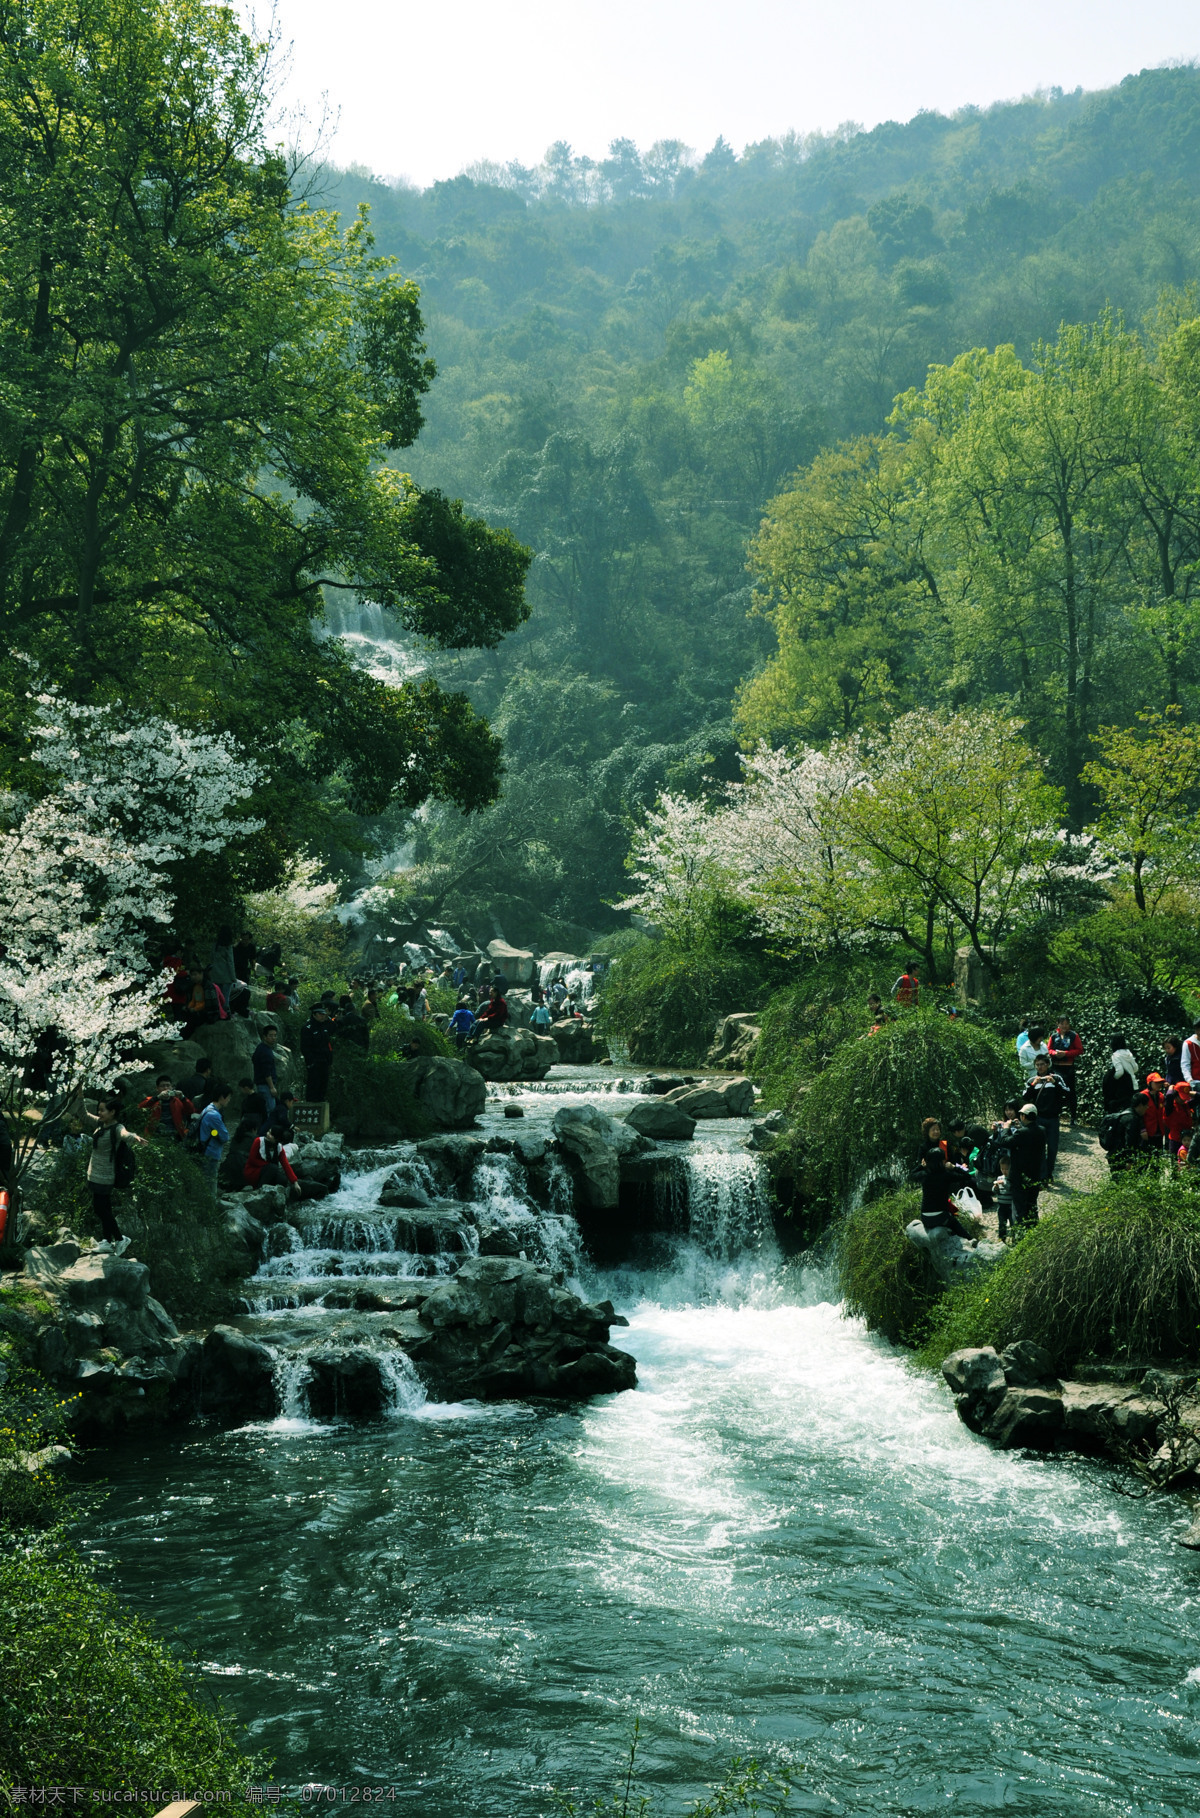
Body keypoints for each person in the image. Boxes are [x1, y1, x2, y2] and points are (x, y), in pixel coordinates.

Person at [85, 1097, 147, 1240]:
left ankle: (119, 1239)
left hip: (105, 1176)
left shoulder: (117, 1127)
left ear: (112, 1112)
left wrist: (135, 1137)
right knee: (105, 1209)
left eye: (102, 1110)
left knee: (100, 1209)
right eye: (98, 1110)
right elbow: (84, 1115)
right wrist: (80, 1094)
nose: (99, 1113)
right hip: (94, 1173)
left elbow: (124, 1134)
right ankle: (107, 1241)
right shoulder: (100, 1124)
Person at [1027, 1053, 1069, 1185]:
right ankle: (1043, 1175)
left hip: (1053, 1119)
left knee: (1052, 1148)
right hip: (1038, 1119)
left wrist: (1055, 1083)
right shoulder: (1032, 1080)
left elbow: (1067, 1092)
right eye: (1037, 1065)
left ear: (1047, 1064)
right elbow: (1025, 1097)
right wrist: (1034, 1085)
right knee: (1039, 1148)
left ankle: (1049, 1172)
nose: (1040, 1067)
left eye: (1042, 1064)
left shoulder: (1056, 1077)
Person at [1006, 1105, 1045, 1236]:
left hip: (1019, 1177)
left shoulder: (1021, 1133)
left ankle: (1020, 1238)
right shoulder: (1041, 1130)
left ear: (1023, 1116)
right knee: (1032, 1206)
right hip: (1034, 1176)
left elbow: (1005, 1142)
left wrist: (1006, 1129)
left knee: (1019, 1209)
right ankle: (1034, 1233)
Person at [196, 1085, 232, 1198]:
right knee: (210, 1185)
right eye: (229, 1097)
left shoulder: (207, 1109)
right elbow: (225, 1137)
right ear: (222, 1097)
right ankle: (210, 1211)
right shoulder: (214, 1115)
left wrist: (214, 1133)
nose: (229, 1100)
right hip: (210, 1153)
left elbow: (214, 1132)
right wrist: (215, 1134)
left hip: (204, 1150)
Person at [1048, 1016, 1083, 1125]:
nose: (1064, 1026)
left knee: (1070, 1092)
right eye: (1062, 1023)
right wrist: (1054, 1053)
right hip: (1056, 1067)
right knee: (1056, 1091)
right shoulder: (1054, 1036)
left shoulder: (1074, 1035)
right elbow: (1048, 1049)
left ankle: (1073, 1117)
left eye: (1066, 1023)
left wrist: (1066, 1053)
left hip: (1068, 1067)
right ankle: (1056, 1115)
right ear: (1058, 1024)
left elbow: (1080, 1050)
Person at [138, 1075, 194, 1141]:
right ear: (157, 1088)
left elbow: (190, 1110)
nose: (165, 1088)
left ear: (172, 1087)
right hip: (156, 1135)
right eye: (162, 1086)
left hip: (175, 1134)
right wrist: (158, 1097)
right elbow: (140, 1107)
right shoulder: (152, 1101)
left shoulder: (177, 1101)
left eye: (168, 1085)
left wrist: (183, 1097)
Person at [300, 1006, 334, 1102]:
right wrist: (311, 1063)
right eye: (320, 1014)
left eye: (324, 1014)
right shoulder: (307, 1028)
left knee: (322, 1088)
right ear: (314, 1014)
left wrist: (330, 1060)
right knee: (313, 1088)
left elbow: (328, 1045)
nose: (323, 1016)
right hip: (314, 1063)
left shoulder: (324, 1027)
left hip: (324, 1062)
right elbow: (305, 1048)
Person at [251, 1026, 281, 1132]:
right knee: (270, 1112)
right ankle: (266, 1134)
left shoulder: (261, 1048)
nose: (273, 1038)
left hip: (262, 1084)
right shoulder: (265, 1051)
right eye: (270, 1035)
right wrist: (272, 1087)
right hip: (266, 1085)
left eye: (275, 1035)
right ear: (264, 1036)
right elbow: (266, 1072)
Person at [1102, 1035, 1139, 1112]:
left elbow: (1120, 1072)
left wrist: (1113, 1080)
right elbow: (1136, 1068)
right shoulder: (1128, 1053)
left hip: (1122, 1088)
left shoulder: (1116, 1055)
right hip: (1133, 1085)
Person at [208, 925, 238, 998]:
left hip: (215, 974)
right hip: (226, 976)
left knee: (218, 997)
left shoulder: (215, 945)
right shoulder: (228, 946)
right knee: (225, 998)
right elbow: (230, 962)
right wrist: (233, 977)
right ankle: (225, 1009)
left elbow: (211, 958)